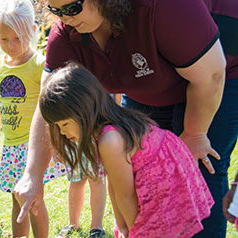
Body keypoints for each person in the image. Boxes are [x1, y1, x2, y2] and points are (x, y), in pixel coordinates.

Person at [14, 0, 238, 237]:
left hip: (216, 74)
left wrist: (194, 134)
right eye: (56, 11)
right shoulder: (67, 33)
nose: (66, 19)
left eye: (71, 9)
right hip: (149, 84)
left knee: (198, 171)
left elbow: (211, 73)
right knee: (144, 175)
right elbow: (49, 103)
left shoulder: (162, 7)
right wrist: (33, 175)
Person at [41, 63, 214, 237]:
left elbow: (126, 195)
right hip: (160, 177)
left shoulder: (110, 140)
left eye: (64, 124)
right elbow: (115, 187)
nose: (62, 132)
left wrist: (135, 232)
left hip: (163, 183)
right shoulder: (106, 131)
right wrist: (122, 227)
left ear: (84, 111)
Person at [0, 0, 66, 237]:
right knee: (16, 199)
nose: (11, 45)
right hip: (10, 146)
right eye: (4, 39)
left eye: (17, 38)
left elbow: (51, 107)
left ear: (32, 31)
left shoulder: (40, 65)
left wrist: (57, 139)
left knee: (34, 200)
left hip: (33, 145)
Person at [57, 155, 106, 238]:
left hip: (94, 145)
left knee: (96, 180)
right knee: (75, 180)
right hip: (74, 145)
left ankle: (96, 226)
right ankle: (73, 224)